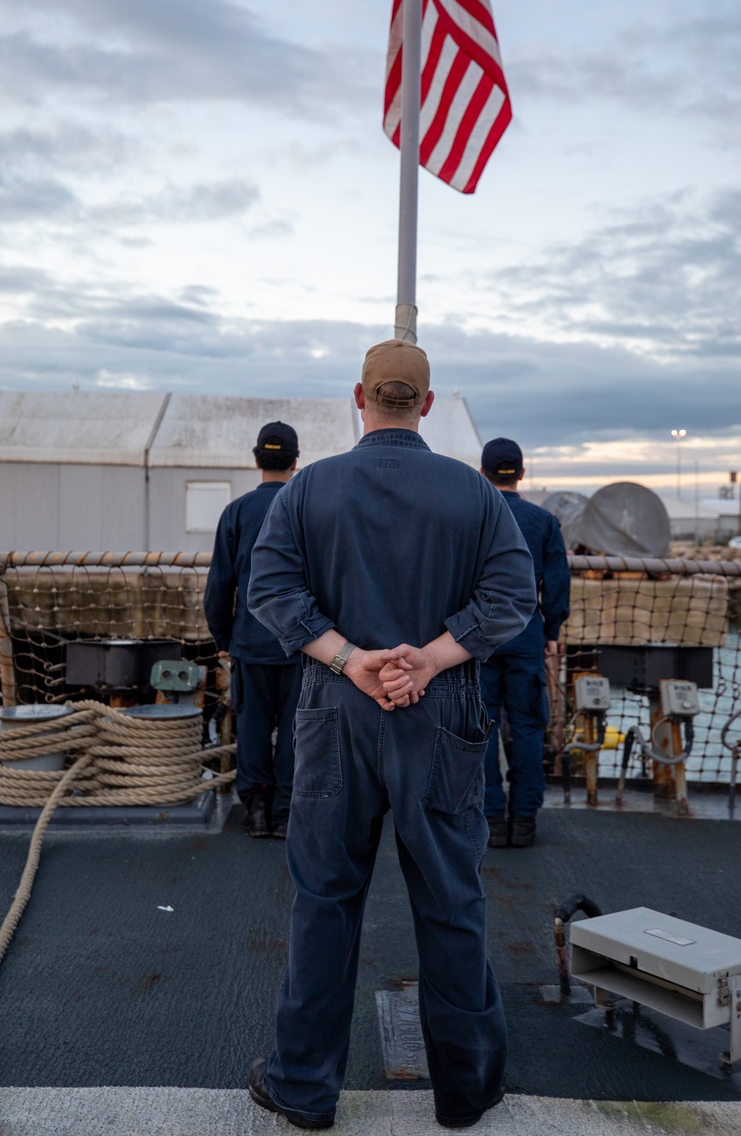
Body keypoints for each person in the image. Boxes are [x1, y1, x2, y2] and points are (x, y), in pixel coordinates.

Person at [244, 341, 536, 1131]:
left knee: (325, 903)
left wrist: (350, 659)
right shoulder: (475, 497)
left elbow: (268, 587)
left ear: (359, 398)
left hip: (335, 717)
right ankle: (466, 1091)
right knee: (451, 903)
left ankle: (303, 1088)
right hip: (441, 719)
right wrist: (430, 660)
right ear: (429, 405)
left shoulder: (309, 489)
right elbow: (514, 597)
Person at [203, 421, 302, 839]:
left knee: (254, 727)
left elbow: (219, 586)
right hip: (304, 643)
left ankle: (257, 811)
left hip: (250, 643)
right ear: (296, 461)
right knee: (299, 730)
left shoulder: (237, 512)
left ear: (257, 458)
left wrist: (225, 639)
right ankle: (285, 813)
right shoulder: (308, 507)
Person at [478, 437, 570, 849]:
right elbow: (557, 584)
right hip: (526, 634)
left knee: (480, 729)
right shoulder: (542, 520)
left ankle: (491, 818)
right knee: (529, 727)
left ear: (482, 473)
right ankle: (525, 819)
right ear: (521, 473)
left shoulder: (470, 517)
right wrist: (551, 632)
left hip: (476, 638)